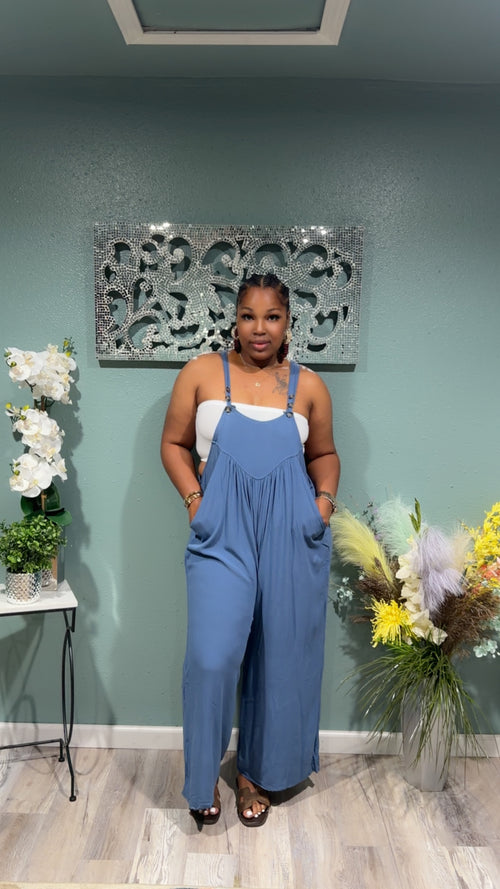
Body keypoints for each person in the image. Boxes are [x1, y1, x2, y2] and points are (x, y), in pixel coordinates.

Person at [160, 272, 340, 827]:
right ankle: (201, 779)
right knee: (211, 656)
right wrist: (196, 501)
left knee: (280, 657)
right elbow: (173, 444)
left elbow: (324, 454)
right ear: (234, 320)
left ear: (288, 324)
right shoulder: (200, 373)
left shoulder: (309, 387)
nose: (260, 328)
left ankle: (253, 776)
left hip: (292, 531)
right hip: (222, 531)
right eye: (248, 316)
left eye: (272, 317)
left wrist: (322, 505)